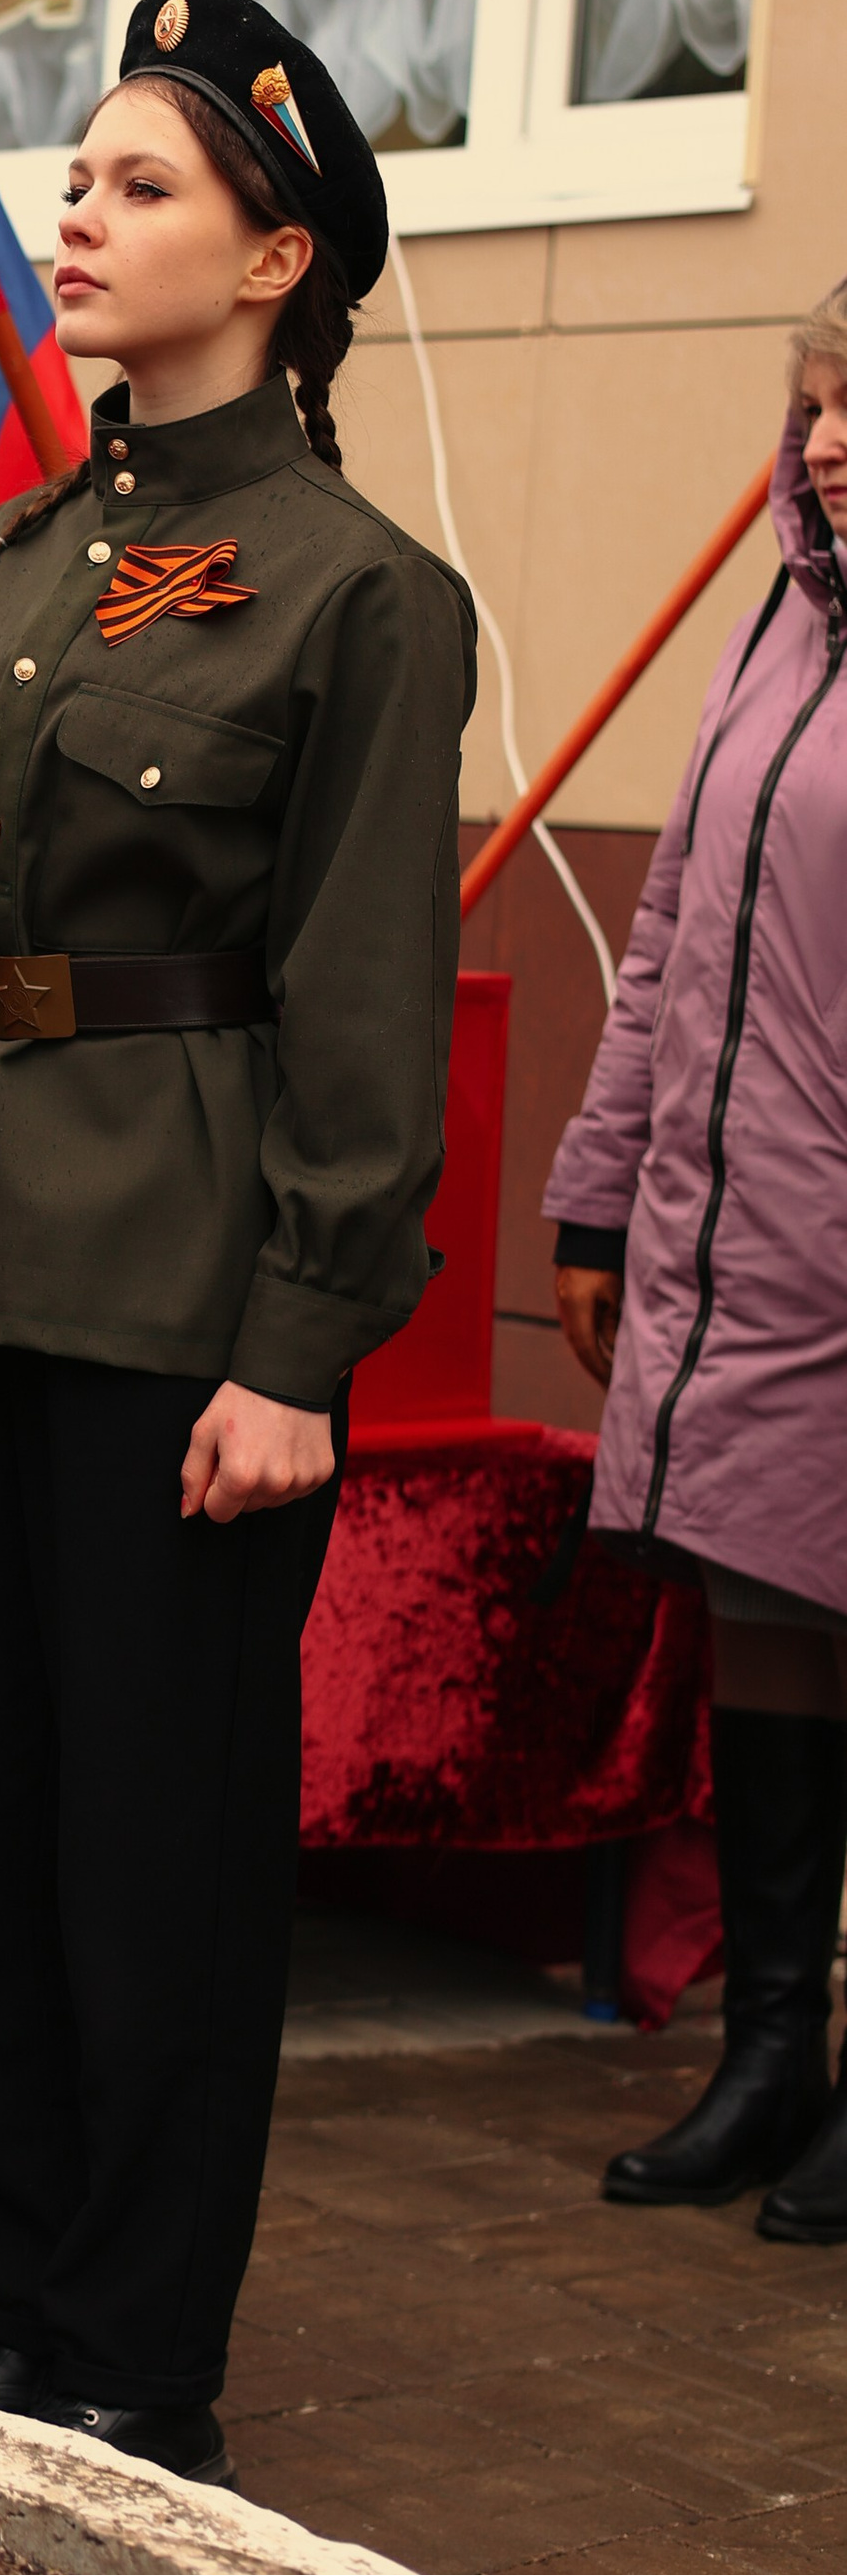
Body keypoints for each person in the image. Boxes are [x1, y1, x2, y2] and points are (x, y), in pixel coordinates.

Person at [0, 0, 474, 2488]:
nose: (71, 218)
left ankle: (136, 2359)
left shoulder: (350, 594)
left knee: (156, 1858)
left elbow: (356, 999)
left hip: (180, 1302)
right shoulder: (34, 552)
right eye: (74, 177)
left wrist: (300, 1347)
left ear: (274, 256)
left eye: (137, 189)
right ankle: (15, 2298)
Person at [550, 288, 847, 2242]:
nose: (820, 442)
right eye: (811, 402)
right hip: (737, 1240)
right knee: (769, 1614)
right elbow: (663, 925)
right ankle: (765, 2057)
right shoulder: (776, 626)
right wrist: (592, 1185)